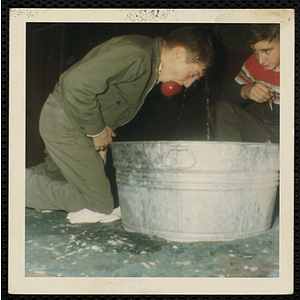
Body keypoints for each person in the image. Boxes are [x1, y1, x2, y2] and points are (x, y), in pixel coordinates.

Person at [26, 26, 214, 214]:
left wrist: (100, 144)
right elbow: (75, 85)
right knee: (98, 204)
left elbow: (106, 105)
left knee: (55, 175)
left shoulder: (149, 63)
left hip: (76, 124)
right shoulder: (137, 54)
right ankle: (17, 188)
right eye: (192, 74)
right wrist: (98, 132)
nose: (189, 83)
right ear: (178, 54)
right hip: (65, 121)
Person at [210, 24, 280, 143]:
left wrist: (277, 140)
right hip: (268, 130)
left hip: (288, 134)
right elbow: (223, 101)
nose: (260, 60)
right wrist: (245, 91)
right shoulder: (254, 63)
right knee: (220, 109)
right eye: (255, 51)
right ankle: (232, 159)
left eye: (267, 51)